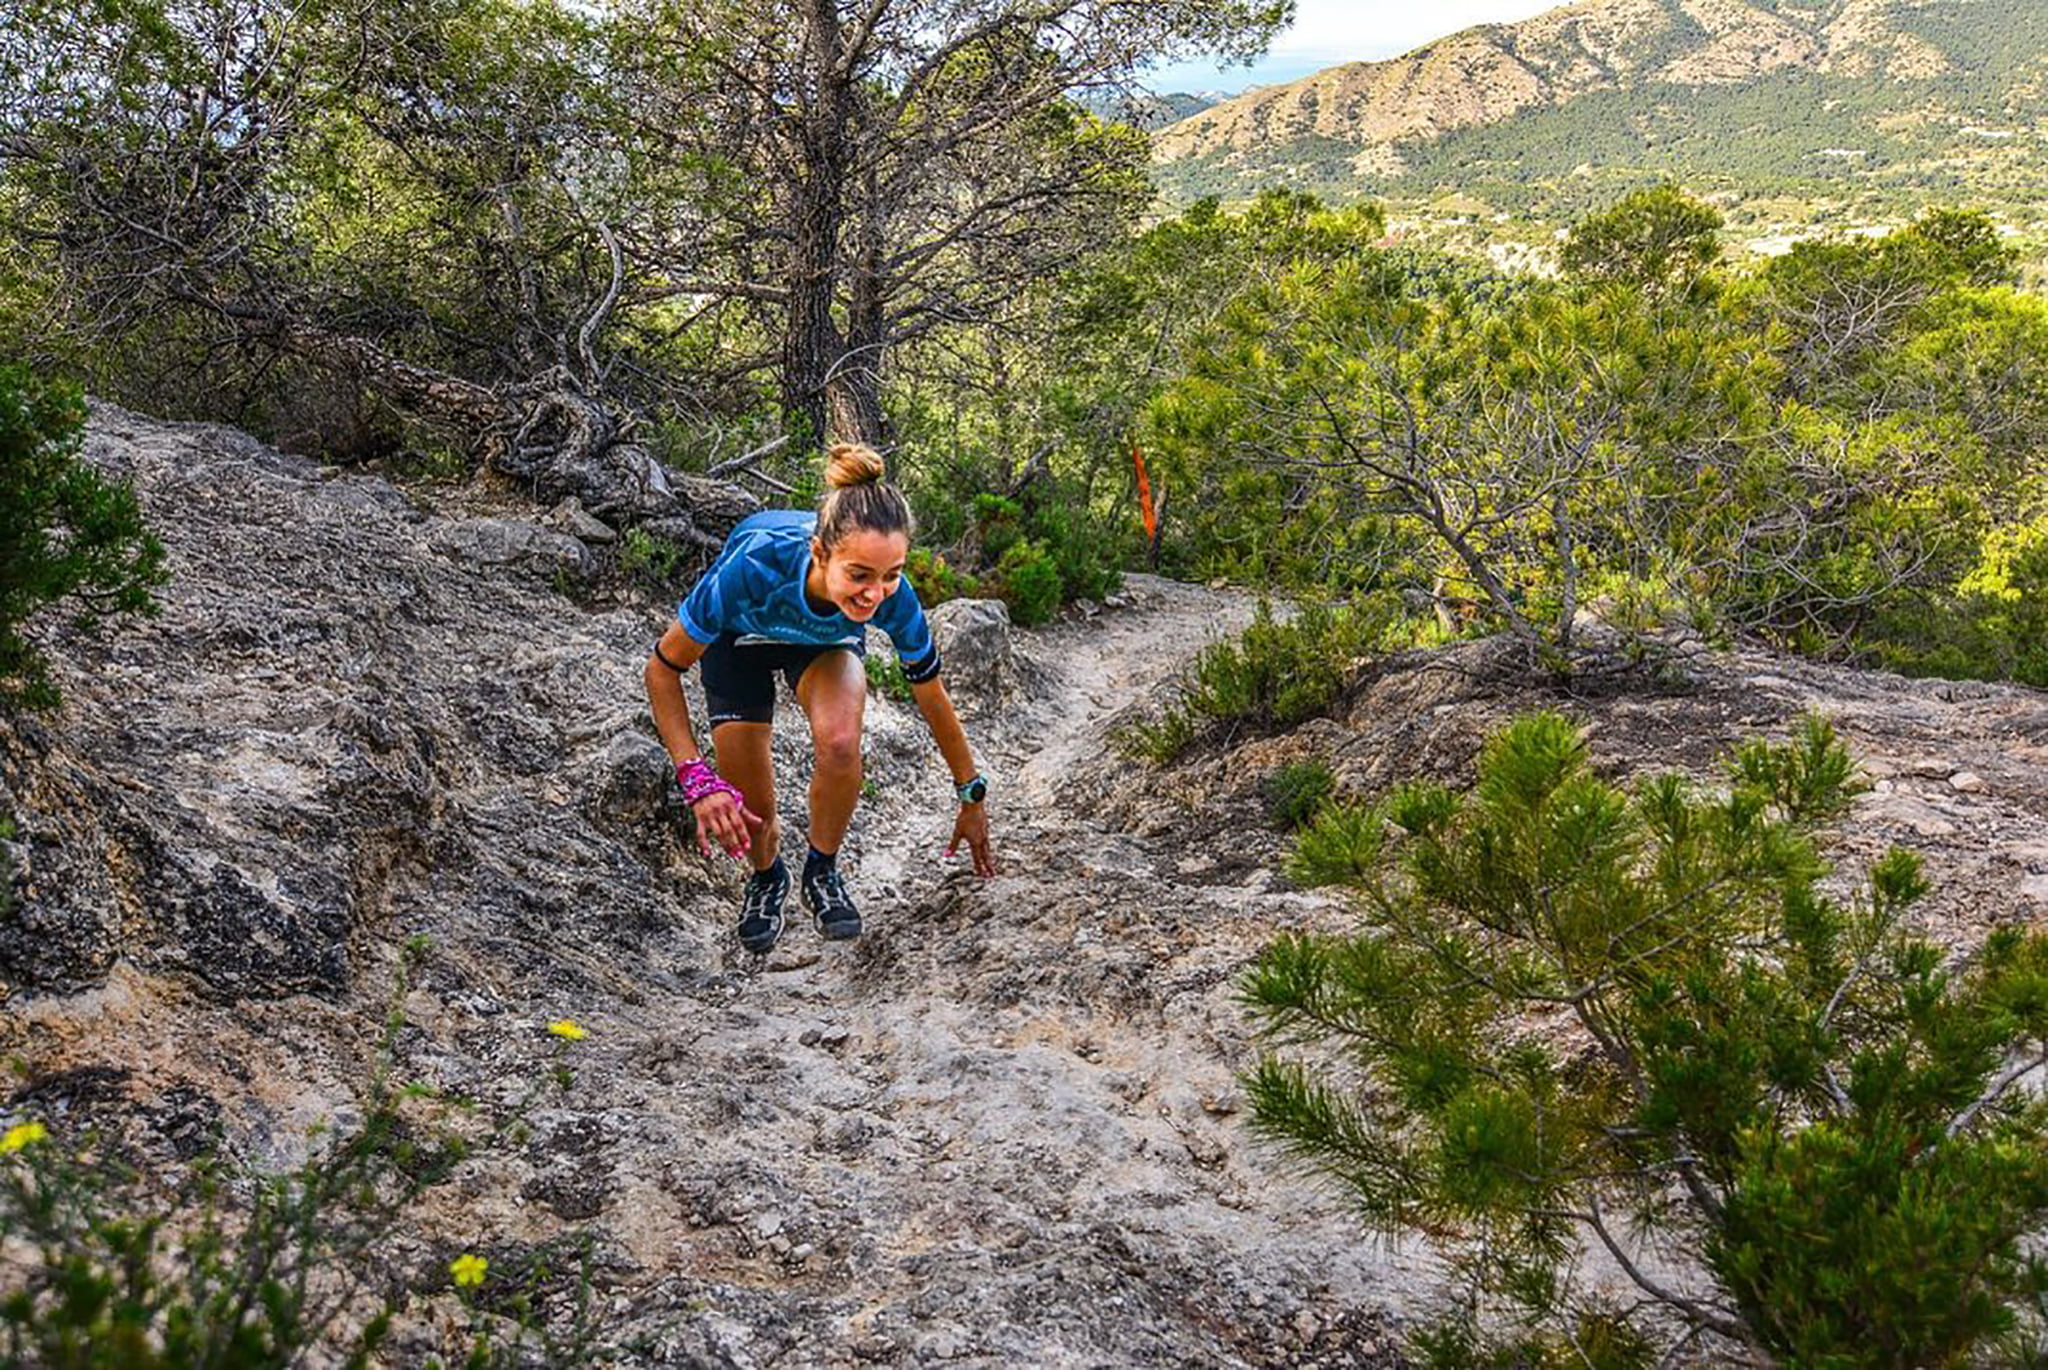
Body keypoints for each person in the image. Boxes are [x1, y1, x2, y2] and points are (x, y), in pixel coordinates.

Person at [644, 441, 998, 954]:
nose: (876, 593)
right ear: (819, 553)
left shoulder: (890, 599)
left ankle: (821, 870)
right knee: (752, 806)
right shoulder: (754, 566)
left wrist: (971, 794)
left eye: (891, 574)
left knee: (839, 742)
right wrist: (696, 777)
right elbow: (662, 670)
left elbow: (932, 694)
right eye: (859, 574)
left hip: (825, 641)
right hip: (739, 642)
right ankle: (767, 879)